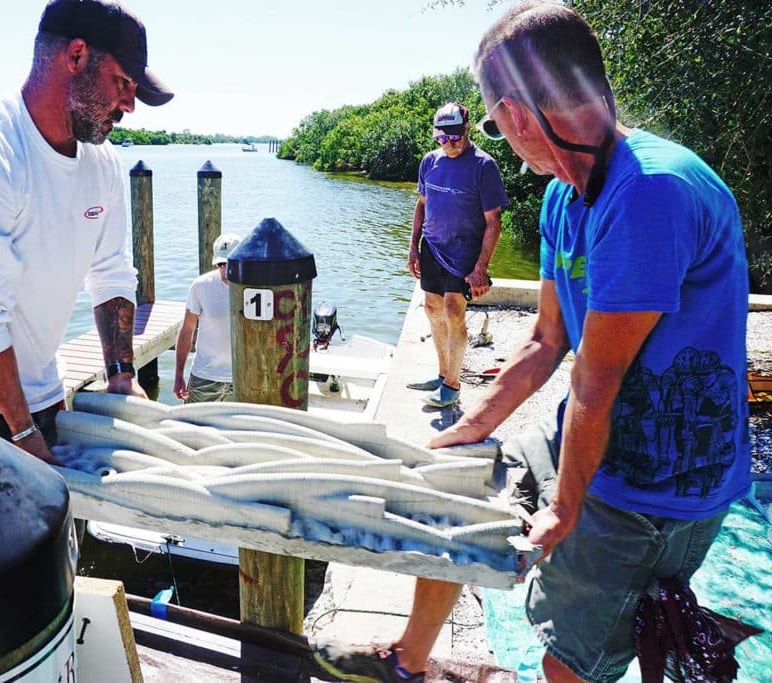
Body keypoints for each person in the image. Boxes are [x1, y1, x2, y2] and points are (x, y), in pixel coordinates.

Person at [314, 2, 750, 682]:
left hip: (659, 486)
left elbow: (596, 380)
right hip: (590, 436)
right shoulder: (562, 198)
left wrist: (565, 507)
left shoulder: (651, 191)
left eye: (493, 123)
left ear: (515, 117)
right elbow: (549, 340)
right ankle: (409, 660)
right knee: (454, 500)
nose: (501, 138)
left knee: (567, 662)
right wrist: (472, 424)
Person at [0, 0, 173, 462]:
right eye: (122, 83)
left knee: (57, 521)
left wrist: (121, 374)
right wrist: (23, 436)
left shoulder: (102, 163)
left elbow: (111, 273)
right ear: (76, 56)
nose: (129, 106)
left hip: (38, 382)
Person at [405, 102, 509, 408]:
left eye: (455, 136)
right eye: (442, 138)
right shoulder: (429, 162)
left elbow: (494, 221)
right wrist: (413, 246)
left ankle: (453, 385)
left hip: (464, 251)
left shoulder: (483, 166)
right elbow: (422, 205)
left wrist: (482, 267)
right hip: (432, 248)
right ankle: (441, 374)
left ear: (467, 130)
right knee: (432, 308)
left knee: (453, 309)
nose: (449, 143)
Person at [173, 233, 241, 403]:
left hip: (242, 378)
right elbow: (187, 330)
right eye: (221, 264)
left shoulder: (255, 287)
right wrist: (178, 375)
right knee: (191, 427)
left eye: (230, 263)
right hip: (204, 377)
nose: (226, 269)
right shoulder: (200, 286)